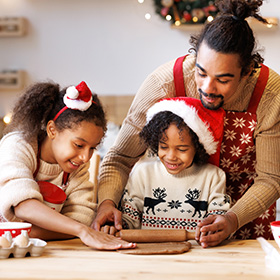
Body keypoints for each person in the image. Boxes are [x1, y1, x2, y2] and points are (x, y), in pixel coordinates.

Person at [93, 0, 280, 247]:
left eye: (222, 80)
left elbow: (270, 179)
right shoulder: (164, 82)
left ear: (247, 72)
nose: (207, 88)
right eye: (201, 73)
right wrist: (106, 202)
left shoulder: (270, 93)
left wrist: (233, 219)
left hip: (246, 219)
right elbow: (120, 158)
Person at [0, 81, 135, 250]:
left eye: (92, 147)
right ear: (52, 130)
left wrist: (31, 230)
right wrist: (80, 231)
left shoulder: (76, 166)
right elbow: (23, 205)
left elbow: (82, 217)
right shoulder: (18, 145)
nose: (86, 157)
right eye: (79, 145)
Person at [120, 97, 231, 231]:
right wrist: (119, 225)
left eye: (182, 149)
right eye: (164, 147)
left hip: (198, 251)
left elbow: (217, 219)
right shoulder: (142, 173)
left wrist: (214, 230)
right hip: (150, 251)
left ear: (198, 147)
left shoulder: (214, 177)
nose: (171, 157)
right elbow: (130, 219)